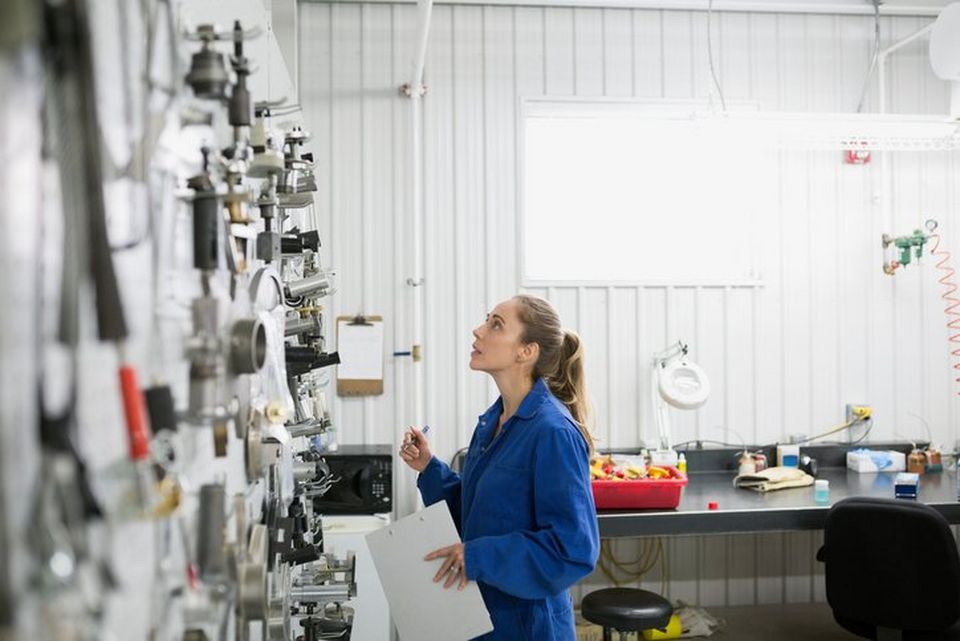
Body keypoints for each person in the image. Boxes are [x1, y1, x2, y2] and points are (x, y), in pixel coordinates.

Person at [399, 294, 600, 641]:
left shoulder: (552, 432)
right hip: (484, 617)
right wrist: (430, 468)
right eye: (486, 320)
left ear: (527, 351)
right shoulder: (493, 421)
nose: (478, 331)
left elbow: (572, 549)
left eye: (495, 325)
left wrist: (478, 557)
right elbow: (478, 512)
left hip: (529, 626)